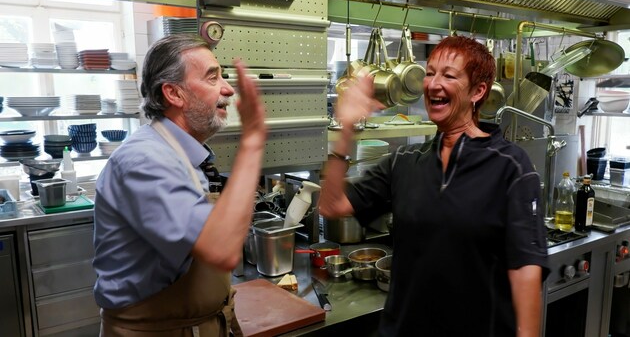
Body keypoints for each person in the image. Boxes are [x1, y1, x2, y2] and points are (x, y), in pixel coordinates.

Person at [320, 35, 549, 337]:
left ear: (478, 91)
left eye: (449, 75)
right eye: (430, 73)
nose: (432, 84)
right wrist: (346, 129)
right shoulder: (405, 160)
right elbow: (332, 204)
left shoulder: (511, 166)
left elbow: (526, 274)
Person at [92, 33, 267, 336]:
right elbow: (220, 249)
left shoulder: (181, 154)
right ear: (174, 94)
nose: (227, 89)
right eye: (213, 78)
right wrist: (252, 140)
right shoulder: (144, 160)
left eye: (223, 76)